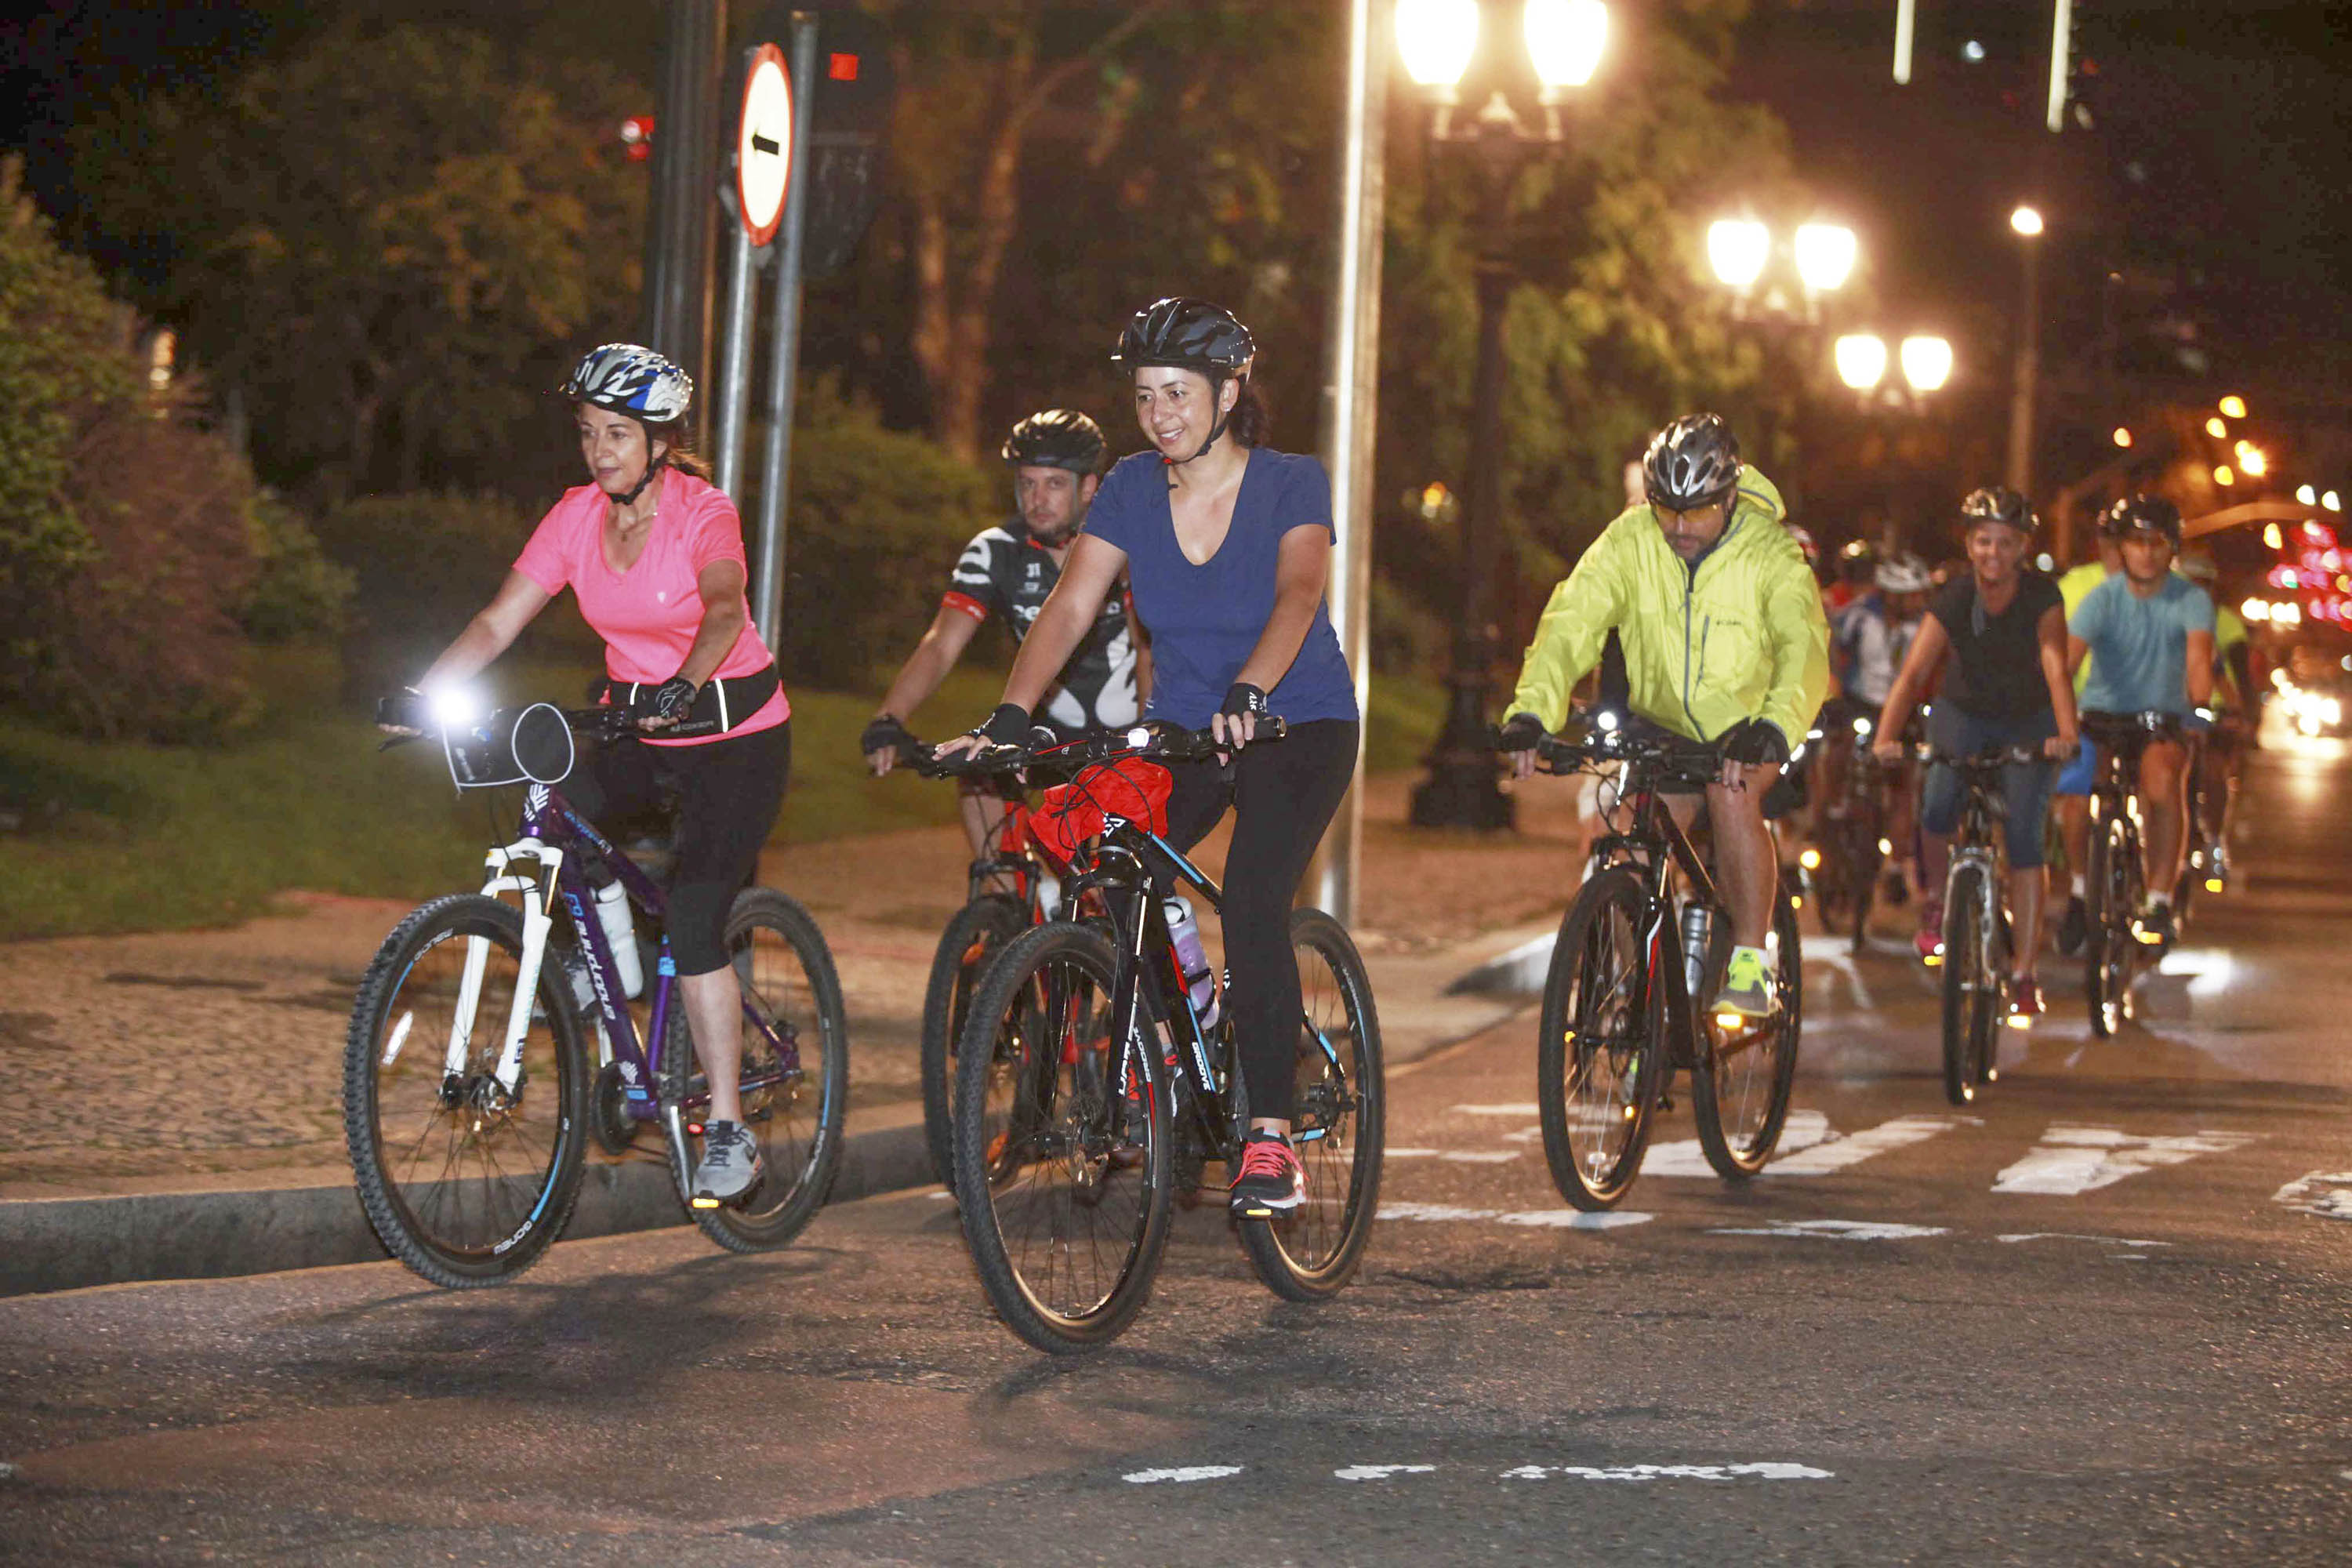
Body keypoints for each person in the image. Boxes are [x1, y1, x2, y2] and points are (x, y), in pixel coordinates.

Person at [935, 297, 1359, 1219]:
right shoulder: (1129, 486)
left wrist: (1250, 689)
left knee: (1252, 896)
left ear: (1228, 391)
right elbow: (1071, 605)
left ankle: (1272, 1137)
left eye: (1179, 392)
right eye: (1145, 395)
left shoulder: (1290, 480)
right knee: (1104, 847)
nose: (1161, 412)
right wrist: (1011, 714)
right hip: (1184, 732)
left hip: (1298, 722)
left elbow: (1298, 591)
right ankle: (1178, 1041)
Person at [383, 343, 789, 1207]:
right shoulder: (574, 517)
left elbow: (722, 606)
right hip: (637, 722)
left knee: (692, 914)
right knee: (556, 808)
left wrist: (685, 684)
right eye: (588, 432)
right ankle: (606, 965)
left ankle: (726, 1128)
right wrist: (426, 691)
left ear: (660, 443)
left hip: (733, 735)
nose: (600, 450)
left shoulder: (702, 511)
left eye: (618, 433)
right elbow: (499, 618)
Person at [1498, 412, 1830, 1018]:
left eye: (1696, 511)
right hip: (1661, 723)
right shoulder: (1630, 538)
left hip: (1747, 723)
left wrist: (1777, 726)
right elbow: (1570, 624)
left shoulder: (1771, 552)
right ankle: (1639, 998)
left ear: (1728, 497)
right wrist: (1532, 712)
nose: (1678, 526)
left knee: (1731, 796)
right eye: (1665, 509)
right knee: (1622, 843)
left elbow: (1802, 648)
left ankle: (1752, 957)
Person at [860, 410, 1149, 867]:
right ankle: (1000, 909)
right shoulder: (994, 550)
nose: (1038, 499)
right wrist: (889, 717)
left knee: (1123, 897)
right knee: (977, 775)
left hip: (1119, 738)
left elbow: (1147, 648)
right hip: (1035, 733)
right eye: (1027, 483)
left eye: (1055, 484)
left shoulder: (1124, 549)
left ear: (1089, 487)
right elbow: (941, 644)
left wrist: (1149, 733)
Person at [1871, 488, 2078, 1015]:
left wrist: (2066, 730)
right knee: (1938, 805)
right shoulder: (1956, 598)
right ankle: (1938, 902)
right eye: (1984, 541)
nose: (1994, 553)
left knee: (2026, 839)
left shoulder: (2041, 596)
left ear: (2022, 547)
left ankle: (2026, 973)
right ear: (1970, 544)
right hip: (1963, 716)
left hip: (2028, 721)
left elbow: (2056, 664)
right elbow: (1914, 672)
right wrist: (1885, 737)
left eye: (2006, 543)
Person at [2057, 495, 2213, 949]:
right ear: (2120, 548)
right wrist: (2052, 708)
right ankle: (2082, 892)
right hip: (2101, 715)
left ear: (2172, 548)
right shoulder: (2101, 599)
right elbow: (2067, 662)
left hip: (2161, 717)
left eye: (2156, 542)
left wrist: (2199, 706)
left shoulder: (2191, 598)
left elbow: (2199, 658)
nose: (2146, 552)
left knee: (2163, 784)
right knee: (2073, 793)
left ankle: (2160, 899)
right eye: (2136, 542)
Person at [1820, 550, 1932, 897]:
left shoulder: (1926, 624)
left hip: (1904, 711)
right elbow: (1831, 649)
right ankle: (1836, 803)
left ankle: (1896, 865)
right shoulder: (1858, 616)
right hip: (1861, 702)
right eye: (1910, 595)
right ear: (1891, 595)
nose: (1917, 601)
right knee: (1837, 743)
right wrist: (1834, 691)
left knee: (1904, 785)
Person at [2178, 549, 2249, 870]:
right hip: (2168, 708)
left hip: (2213, 710)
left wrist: (2238, 711)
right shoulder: (2161, 614)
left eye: (2203, 585)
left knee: (2212, 770)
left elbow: (2232, 673)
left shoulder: (2226, 623)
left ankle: (2214, 838)